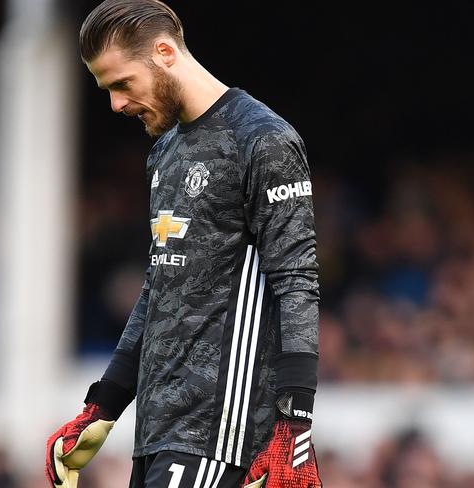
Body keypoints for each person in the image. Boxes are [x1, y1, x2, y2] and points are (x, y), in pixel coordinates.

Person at [45, 1, 323, 487]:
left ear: (164, 52)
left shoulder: (263, 140)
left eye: (122, 84)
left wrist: (294, 424)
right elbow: (161, 285)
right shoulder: (165, 153)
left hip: (224, 430)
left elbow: (297, 280)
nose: (116, 104)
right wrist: (104, 403)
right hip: (159, 431)